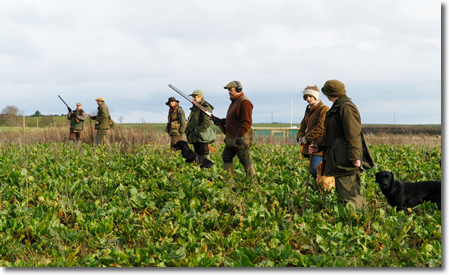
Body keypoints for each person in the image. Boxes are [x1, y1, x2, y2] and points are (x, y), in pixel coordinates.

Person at [309, 80, 363, 209]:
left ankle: (356, 223)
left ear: (330, 93)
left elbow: (353, 134)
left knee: (350, 195)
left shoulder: (346, 107)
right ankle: (348, 223)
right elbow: (333, 135)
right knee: (342, 194)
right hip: (338, 159)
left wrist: (355, 157)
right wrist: (319, 145)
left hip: (346, 160)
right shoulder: (338, 106)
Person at [213, 81, 255, 177]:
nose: (229, 92)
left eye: (230, 90)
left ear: (238, 89)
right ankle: (229, 181)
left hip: (240, 137)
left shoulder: (244, 102)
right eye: (228, 90)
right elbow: (233, 119)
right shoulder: (235, 101)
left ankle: (253, 183)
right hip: (232, 137)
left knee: (245, 160)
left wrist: (241, 135)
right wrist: (221, 121)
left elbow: (246, 121)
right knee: (226, 157)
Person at [296, 85, 329, 182]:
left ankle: (323, 191)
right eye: (306, 97)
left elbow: (320, 128)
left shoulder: (324, 109)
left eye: (310, 96)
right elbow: (303, 126)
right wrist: (300, 138)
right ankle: (318, 190)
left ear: (316, 96)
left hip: (319, 145)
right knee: (315, 172)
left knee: (315, 170)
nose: (308, 99)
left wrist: (306, 138)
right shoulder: (308, 109)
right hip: (309, 145)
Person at [185, 90, 216, 159]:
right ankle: (199, 167)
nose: (193, 98)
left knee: (204, 153)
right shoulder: (195, 107)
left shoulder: (205, 107)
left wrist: (199, 130)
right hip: (195, 135)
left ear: (201, 97)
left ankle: (207, 167)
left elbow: (207, 121)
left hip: (202, 135)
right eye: (193, 97)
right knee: (197, 153)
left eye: (195, 97)